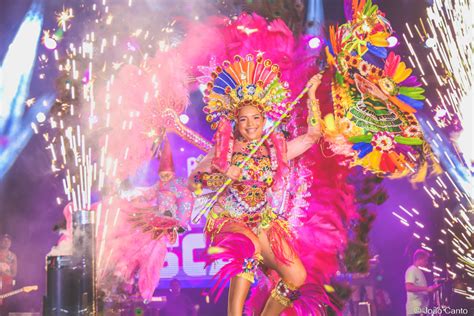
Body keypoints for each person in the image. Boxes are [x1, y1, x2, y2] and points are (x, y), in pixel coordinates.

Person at [190, 54, 323, 315]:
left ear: (264, 119)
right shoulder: (223, 150)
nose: (251, 125)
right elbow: (193, 180)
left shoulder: (275, 148)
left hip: (262, 221)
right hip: (229, 219)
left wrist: (312, 95)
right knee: (246, 248)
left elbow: (312, 136)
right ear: (235, 122)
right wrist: (225, 173)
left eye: (256, 118)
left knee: (296, 276)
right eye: (244, 119)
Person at [405, 249, 440, 316]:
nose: (426, 263)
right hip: (414, 311)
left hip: (420, 310)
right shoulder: (412, 270)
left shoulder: (419, 271)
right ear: (419, 259)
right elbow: (408, 287)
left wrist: (431, 289)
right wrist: (427, 289)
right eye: (425, 260)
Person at [0, 234, 17, 315]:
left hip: (7, 286)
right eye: (4, 240)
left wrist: (4, 271)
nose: (6, 242)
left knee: (5, 309)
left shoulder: (12, 256)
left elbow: (14, 273)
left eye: (8, 240)